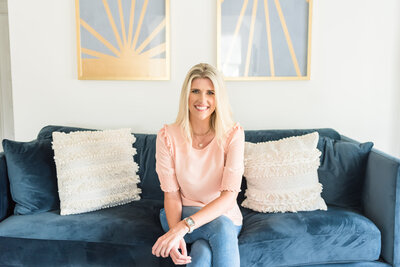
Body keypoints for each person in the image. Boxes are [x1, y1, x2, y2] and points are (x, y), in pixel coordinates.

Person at [151, 63, 244, 267]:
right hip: (180, 212)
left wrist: (183, 228)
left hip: (223, 215)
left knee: (202, 251)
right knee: (219, 230)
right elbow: (172, 195)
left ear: (218, 98)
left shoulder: (233, 135)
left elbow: (229, 195)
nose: (202, 100)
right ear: (187, 95)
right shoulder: (167, 136)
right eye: (196, 91)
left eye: (210, 92)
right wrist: (176, 230)